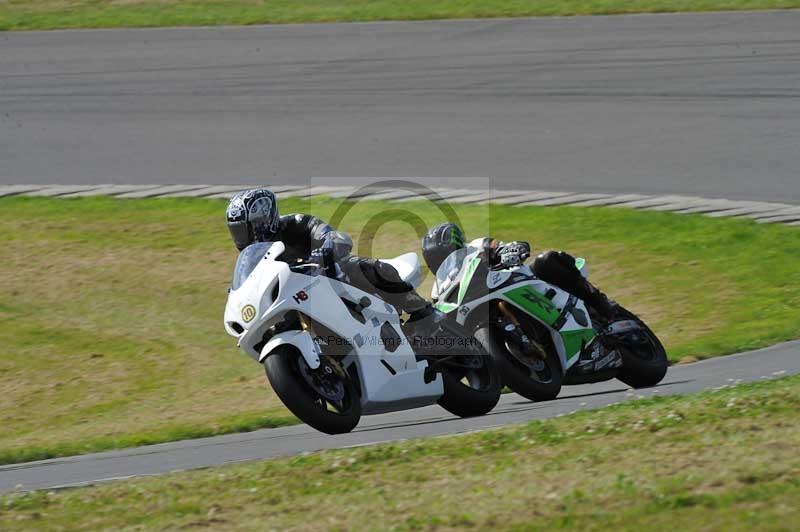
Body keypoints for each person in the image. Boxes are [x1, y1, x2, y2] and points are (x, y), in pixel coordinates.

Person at [225, 188, 437, 333]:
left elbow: (329, 234)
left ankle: (424, 313)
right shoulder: (252, 258)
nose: (241, 238)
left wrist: (325, 251)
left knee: (364, 268)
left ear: (263, 221)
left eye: (245, 229)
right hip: (297, 299)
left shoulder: (296, 224)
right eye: (236, 231)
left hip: (328, 279)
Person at [421, 222, 617, 319]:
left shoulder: (477, 246)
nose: (440, 260)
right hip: (482, 311)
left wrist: (509, 251)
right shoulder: (439, 290)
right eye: (434, 258)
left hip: (517, 282)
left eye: (441, 254)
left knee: (545, 261)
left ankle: (599, 302)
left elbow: (504, 245)